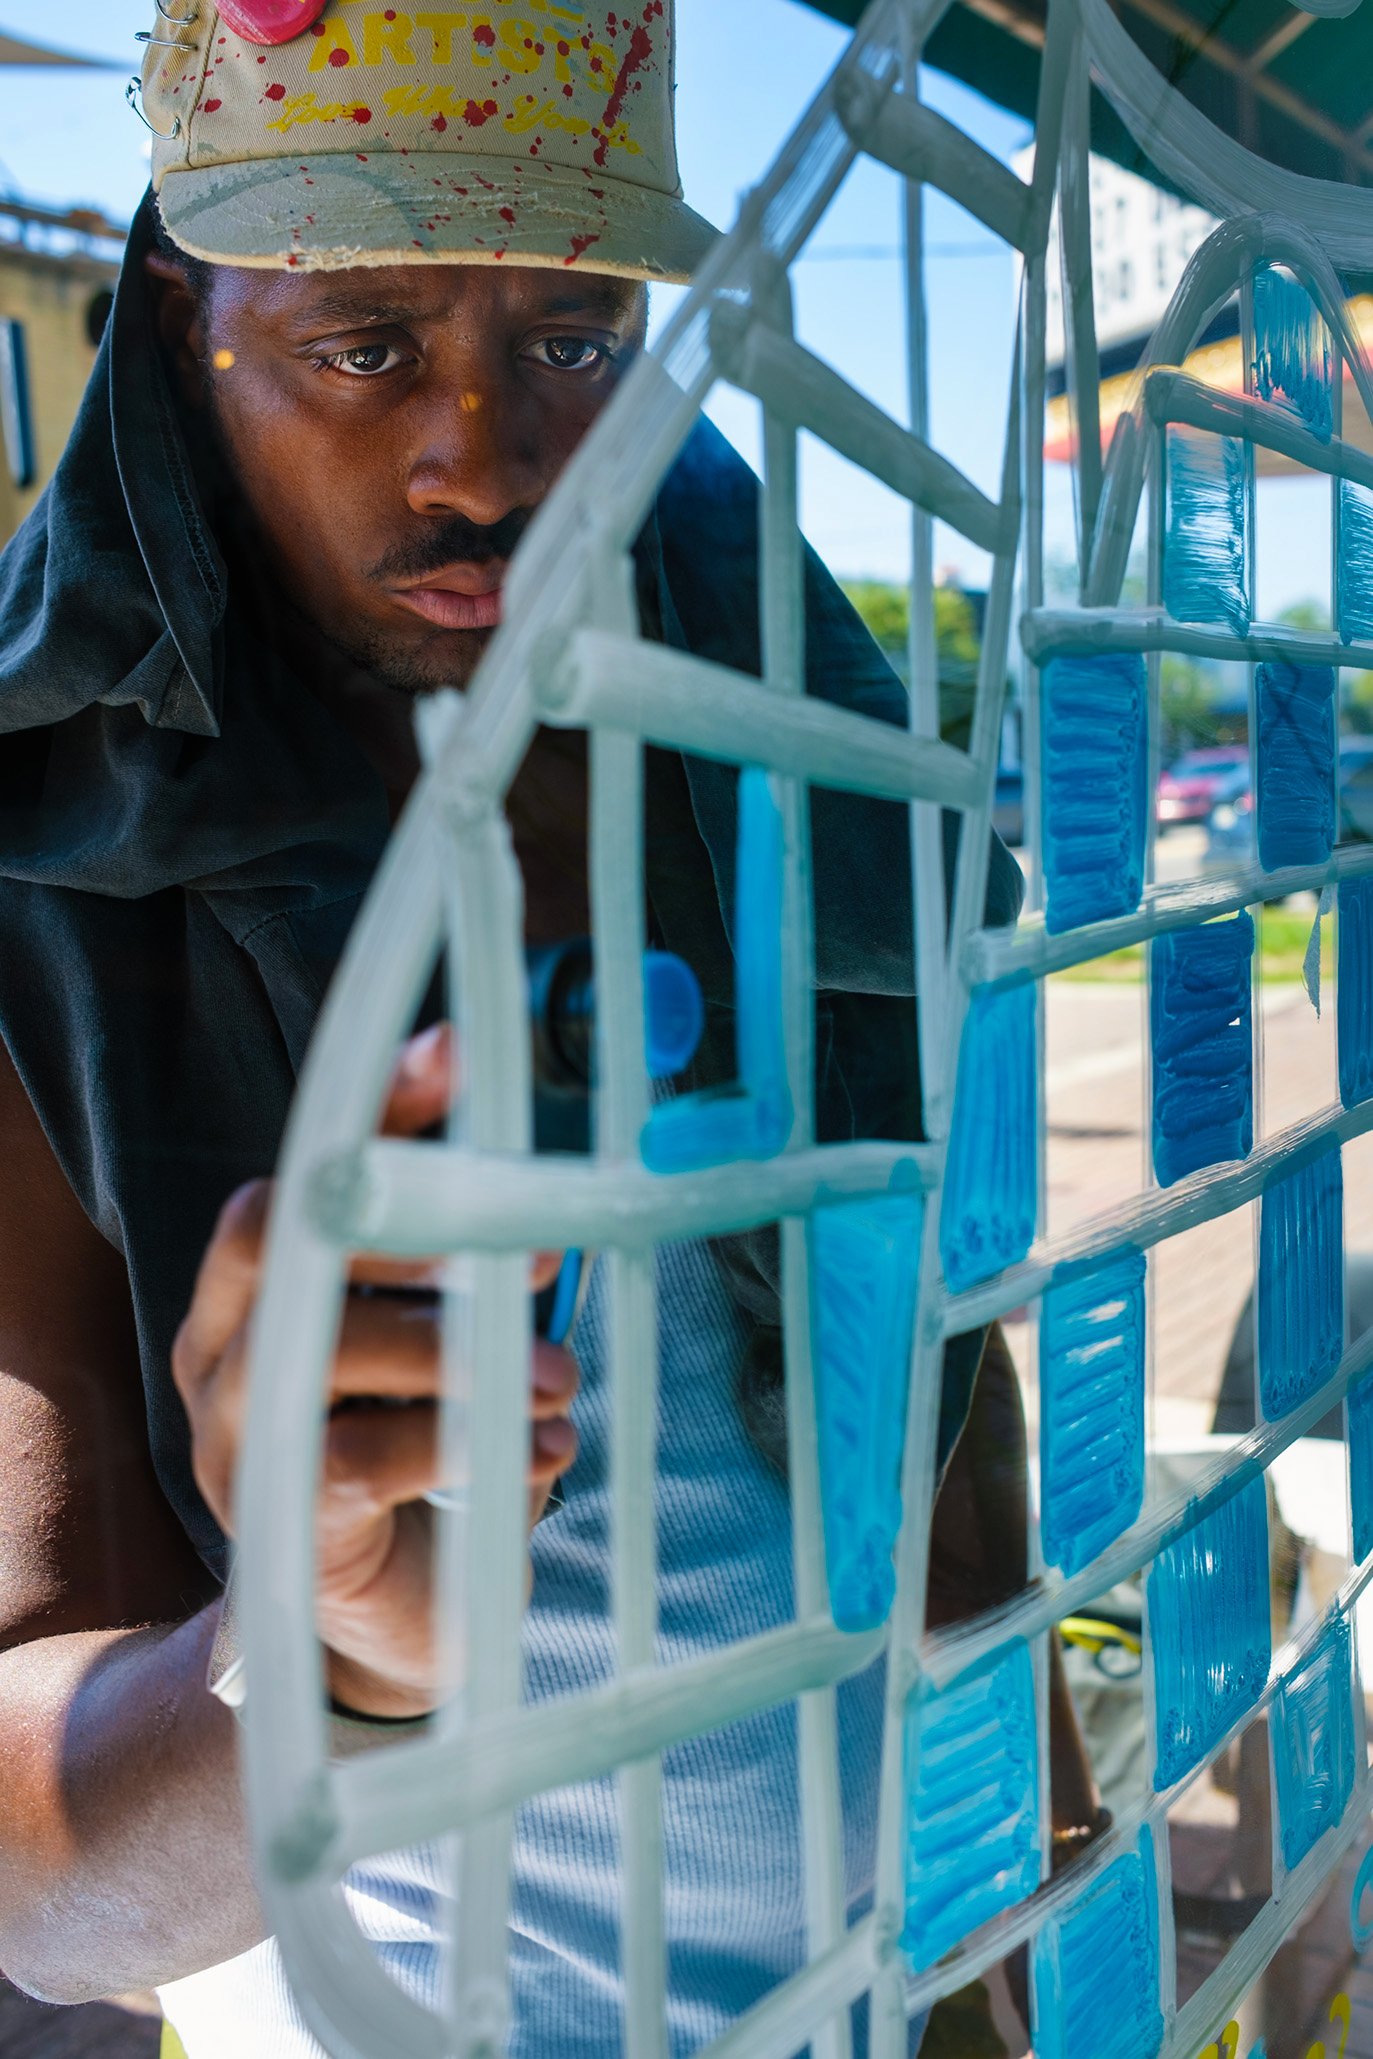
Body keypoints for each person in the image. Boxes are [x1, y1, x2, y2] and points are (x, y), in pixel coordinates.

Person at [0, 5, 1053, 2053]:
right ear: (174, 306)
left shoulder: (798, 775)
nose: (484, 457)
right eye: (363, 346)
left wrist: (1012, 1889)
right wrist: (327, 1664)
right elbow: (36, 1886)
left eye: (572, 339)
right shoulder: (38, 894)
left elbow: (943, 1378)